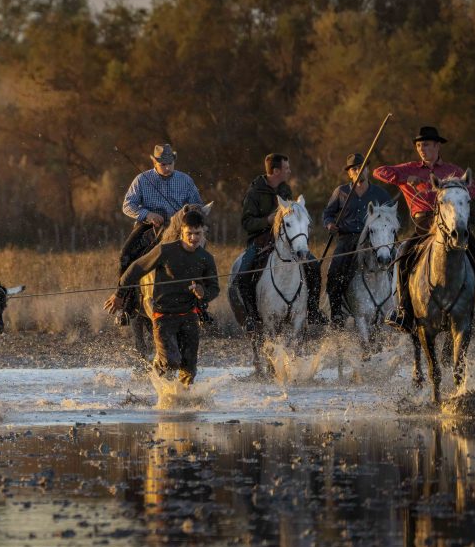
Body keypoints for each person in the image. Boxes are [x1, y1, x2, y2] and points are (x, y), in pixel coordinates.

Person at [374, 125, 475, 332]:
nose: (422, 149)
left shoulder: (453, 171)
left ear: (437, 146)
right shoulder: (409, 168)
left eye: (426, 145)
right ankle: (404, 311)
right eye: (419, 146)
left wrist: (456, 188)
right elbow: (379, 172)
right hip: (424, 226)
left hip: (452, 224)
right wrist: (405, 178)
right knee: (404, 257)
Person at [104, 208, 219, 385]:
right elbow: (135, 269)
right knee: (171, 361)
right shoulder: (165, 251)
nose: (193, 238)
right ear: (182, 231)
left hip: (189, 316)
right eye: (189, 233)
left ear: (203, 232)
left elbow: (214, 288)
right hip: (164, 316)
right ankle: (158, 378)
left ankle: (183, 398)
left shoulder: (206, 258)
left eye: (197, 233)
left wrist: (204, 294)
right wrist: (119, 294)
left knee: (189, 370)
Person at [235, 153, 325, 330]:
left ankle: (313, 310)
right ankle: (252, 316)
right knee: (243, 273)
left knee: (313, 265)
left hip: (286, 241)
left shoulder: (285, 189)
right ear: (276, 171)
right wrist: (267, 221)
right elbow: (246, 222)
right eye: (286, 168)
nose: (289, 171)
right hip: (260, 241)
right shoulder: (253, 193)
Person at [114, 143, 202, 324]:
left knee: (200, 256)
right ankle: (125, 304)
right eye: (163, 164)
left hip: (179, 228)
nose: (167, 167)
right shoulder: (142, 179)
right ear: (154, 162)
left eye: (170, 163)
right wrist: (148, 214)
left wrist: (187, 212)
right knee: (125, 255)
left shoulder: (185, 180)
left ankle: (201, 306)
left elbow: (197, 205)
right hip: (148, 226)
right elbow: (127, 205)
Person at [321, 153, 391, 326]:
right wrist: (330, 224)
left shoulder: (380, 193)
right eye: (354, 169)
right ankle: (336, 314)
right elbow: (328, 213)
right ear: (349, 173)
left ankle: (398, 310)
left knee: (398, 265)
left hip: (375, 239)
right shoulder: (341, 191)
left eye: (361, 167)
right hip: (347, 239)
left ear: (367, 169)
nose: (358, 171)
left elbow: (392, 216)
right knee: (335, 272)